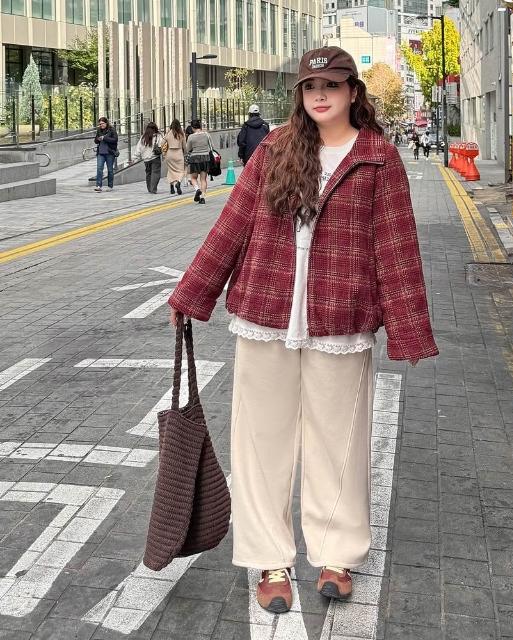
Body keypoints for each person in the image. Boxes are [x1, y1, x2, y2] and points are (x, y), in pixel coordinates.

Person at [167, 46, 437, 614]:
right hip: (264, 315)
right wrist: (192, 293)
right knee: (260, 443)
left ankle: (336, 554)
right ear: (300, 94)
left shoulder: (379, 158)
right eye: (311, 86)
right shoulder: (274, 149)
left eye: (332, 86)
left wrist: (408, 327)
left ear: (353, 93)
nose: (320, 95)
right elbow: (233, 224)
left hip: (342, 319)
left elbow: (396, 246)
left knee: (340, 444)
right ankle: (269, 559)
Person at [132, 122, 164, 194]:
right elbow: (162, 145)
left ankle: (149, 188)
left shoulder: (143, 137)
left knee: (148, 173)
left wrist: (135, 158)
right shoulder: (158, 136)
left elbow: (138, 148)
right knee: (155, 173)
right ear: (155, 128)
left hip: (146, 159)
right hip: (155, 157)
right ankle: (153, 189)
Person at [185, 119, 211, 204]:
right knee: (203, 179)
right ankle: (203, 198)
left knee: (193, 178)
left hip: (194, 158)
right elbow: (211, 147)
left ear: (193, 128)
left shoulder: (191, 137)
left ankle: (197, 189)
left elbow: (188, 149)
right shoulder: (206, 135)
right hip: (205, 157)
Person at [94, 117, 118, 192]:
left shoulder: (112, 129)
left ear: (106, 123)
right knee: (99, 168)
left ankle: (110, 186)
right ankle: (98, 186)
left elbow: (115, 140)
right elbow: (95, 141)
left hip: (109, 153)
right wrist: (98, 139)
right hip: (101, 152)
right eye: (100, 124)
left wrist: (104, 138)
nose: (101, 125)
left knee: (110, 170)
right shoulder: (99, 130)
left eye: (102, 123)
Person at [164, 119, 187, 195]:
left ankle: (172, 187)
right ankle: (178, 183)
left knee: (171, 170)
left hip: (169, 154)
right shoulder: (181, 133)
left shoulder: (169, 133)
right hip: (179, 154)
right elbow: (184, 146)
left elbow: (162, 143)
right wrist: (185, 153)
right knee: (181, 171)